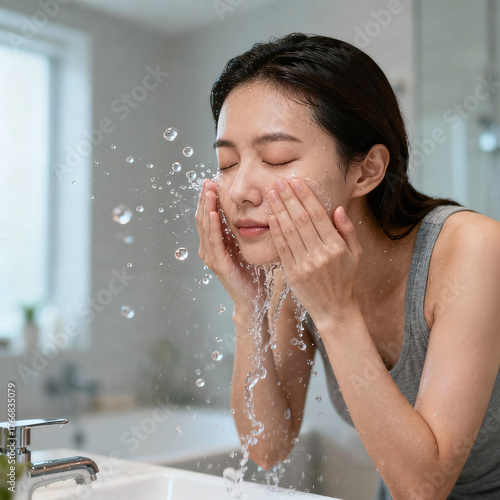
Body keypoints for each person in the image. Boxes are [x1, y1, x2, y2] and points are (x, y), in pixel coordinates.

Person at [195, 33, 500, 499]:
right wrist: (249, 306)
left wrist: (335, 312)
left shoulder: (472, 249)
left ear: (367, 170)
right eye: (228, 162)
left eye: (276, 158)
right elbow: (267, 447)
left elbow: (424, 488)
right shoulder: (292, 271)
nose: (239, 191)